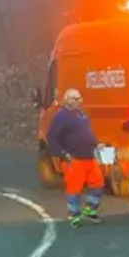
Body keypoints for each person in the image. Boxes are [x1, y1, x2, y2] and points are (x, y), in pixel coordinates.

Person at [46, 88, 104, 227]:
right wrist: (63, 153)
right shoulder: (61, 117)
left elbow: (87, 133)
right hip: (73, 159)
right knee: (74, 188)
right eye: (75, 99)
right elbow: (51, 137)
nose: (79, 101)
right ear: (67, 100)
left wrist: (97, 144)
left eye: (80, 98)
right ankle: (74, 215)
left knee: (98, 183)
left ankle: (90, 210)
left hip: (89, 156)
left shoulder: (81, 114)